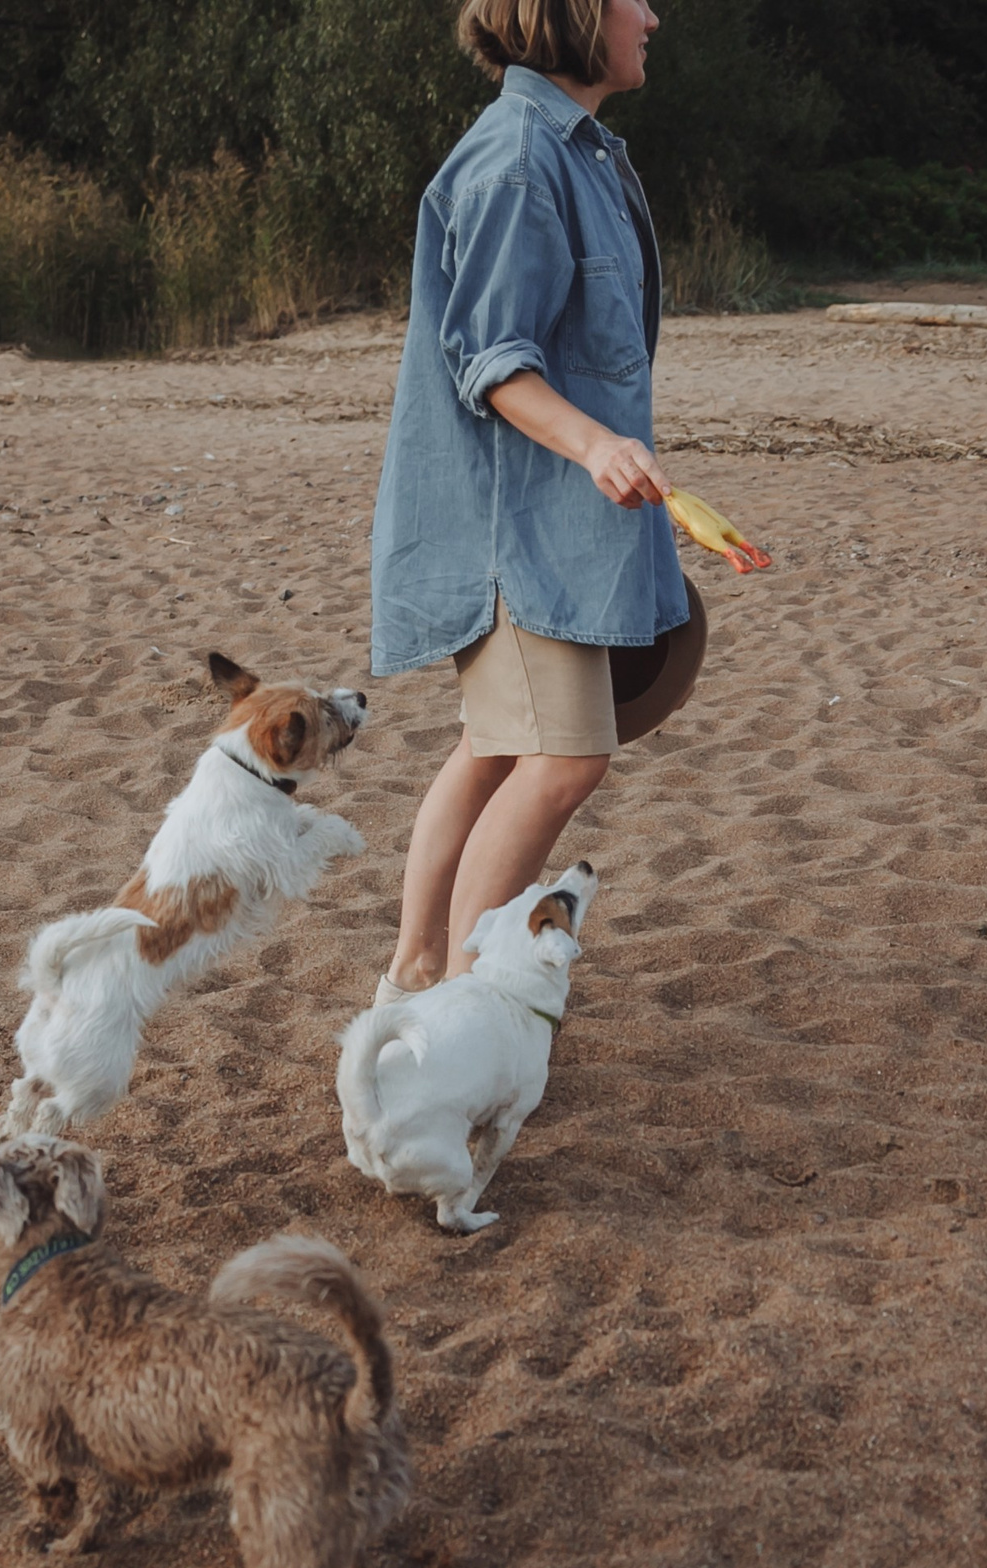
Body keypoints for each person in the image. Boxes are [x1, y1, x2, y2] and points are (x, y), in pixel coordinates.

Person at [367, 0, 684, 1003]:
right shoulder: (517, 158)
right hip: (516, 535)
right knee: (561, 761)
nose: (653, 16)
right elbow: (495, 362)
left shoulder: (572, 150)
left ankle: (417, 978)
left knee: (497, 751)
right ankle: (461, 1007)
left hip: (548, 529)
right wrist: (596, 444)